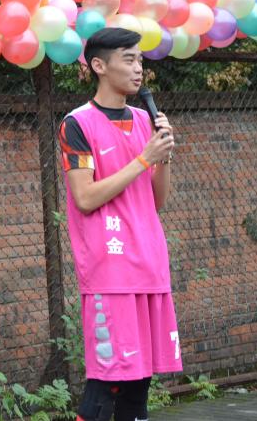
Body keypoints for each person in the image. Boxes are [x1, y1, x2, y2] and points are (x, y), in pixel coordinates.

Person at [58, 27, 181, 421]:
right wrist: (144, 159)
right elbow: (85, 197)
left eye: (140, 60)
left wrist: (162, 156)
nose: (138, 68)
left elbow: (156, 201)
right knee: (107, 382)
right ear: (99, 65)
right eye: (128, 59)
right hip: (110, 272)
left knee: (139, 383)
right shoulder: (76, 124)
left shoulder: (146, 120)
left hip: (150, 264)